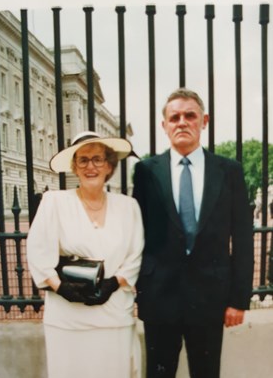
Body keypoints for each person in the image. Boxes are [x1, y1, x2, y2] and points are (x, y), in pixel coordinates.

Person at [133, 88, 254, 378]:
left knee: (207, 373)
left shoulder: (229, 171)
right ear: (164, 125)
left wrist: (239, 299)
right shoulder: (146, 172)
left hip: (210, 299)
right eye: (174, 117)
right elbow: (136, 234)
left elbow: (243, 237)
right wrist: (139, 294)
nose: (182, 122)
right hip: (160, 299)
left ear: (204, 121)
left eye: (190, 115)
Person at [27, 131, 144, 378]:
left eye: (98, 159)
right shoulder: (54, 202)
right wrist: (62, 289)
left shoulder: (128, 206)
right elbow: (38, 252)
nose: (91, 166)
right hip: (68, 319)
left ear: (109, 165)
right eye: (83, 160)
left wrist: (113, 283)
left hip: (114, 316)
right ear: (74, 167)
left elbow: (135, 254)